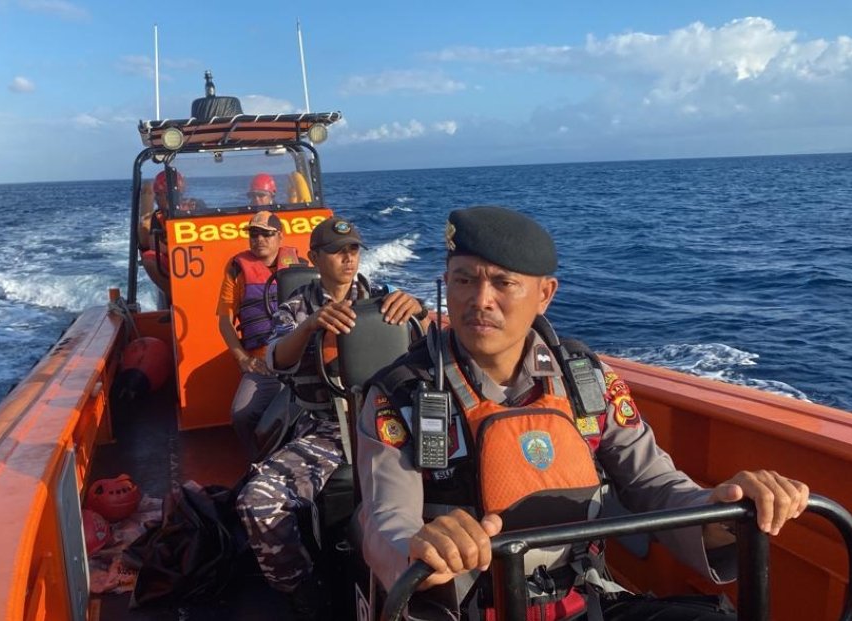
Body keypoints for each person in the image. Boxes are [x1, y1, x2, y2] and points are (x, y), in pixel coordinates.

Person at [356, 206, 810, 620]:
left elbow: (655, 485)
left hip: (582, 604)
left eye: (503, 283)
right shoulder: (400, 394)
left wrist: (724, 510)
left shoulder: (587, 383)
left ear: (544, 294)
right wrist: (419, 551)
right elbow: (385, 519)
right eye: (464, 280)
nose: (480, 299)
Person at [235, 216, 427, 619]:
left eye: (353, 249)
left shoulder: (382, 300)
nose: (348, 258)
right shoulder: (296, 306)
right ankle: (302, 587)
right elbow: (275, 358)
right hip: (328, 427)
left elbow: (425, 348)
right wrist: (310, 326)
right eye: (337, 251)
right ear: (314, 257)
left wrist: (419, 311)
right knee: (258, 501)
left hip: (390, 422)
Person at [217, 210, 306, 461]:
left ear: (280, 236)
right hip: (262, 361)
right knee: (242, 413)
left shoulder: (299, 265)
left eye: (266, 234)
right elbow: (224, 321)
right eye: (254, 234)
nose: (259, 240)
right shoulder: (236, 269)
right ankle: (258, 461)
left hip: (299, 359)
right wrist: (243, 359)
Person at [138, 169, 203, 294]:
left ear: (170, 195)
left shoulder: (197, 207)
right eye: (156, 194)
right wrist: (175, 251)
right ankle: (176, 295)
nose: (156, 199)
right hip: (173, 259)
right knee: (149, 259)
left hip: (200, 255)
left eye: (158, 194)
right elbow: (153, 243)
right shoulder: (158, 216)